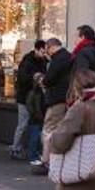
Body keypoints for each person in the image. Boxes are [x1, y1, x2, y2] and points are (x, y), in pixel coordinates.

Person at [38, 37, 71, 175]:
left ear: (51, 47)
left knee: (49, 129)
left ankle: (47, 161)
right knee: (59, 129)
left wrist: (42, 80)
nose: (47, 53)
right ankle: (56, 159)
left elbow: (49, 79)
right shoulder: (68, 57)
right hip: (65, 99)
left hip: (56, 99)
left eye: (47, 50)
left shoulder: (58, 59)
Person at [11, 40, 47, 158]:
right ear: (36, 49)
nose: (44, 53)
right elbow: (22, 79)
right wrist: (35, 78)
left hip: (36, 98)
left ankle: (32, 149)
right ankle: (15, 149)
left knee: (33, 124)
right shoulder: (27, 61)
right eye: (42, 51)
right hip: (25, 97)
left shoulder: (43, 61)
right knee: (23, 124)